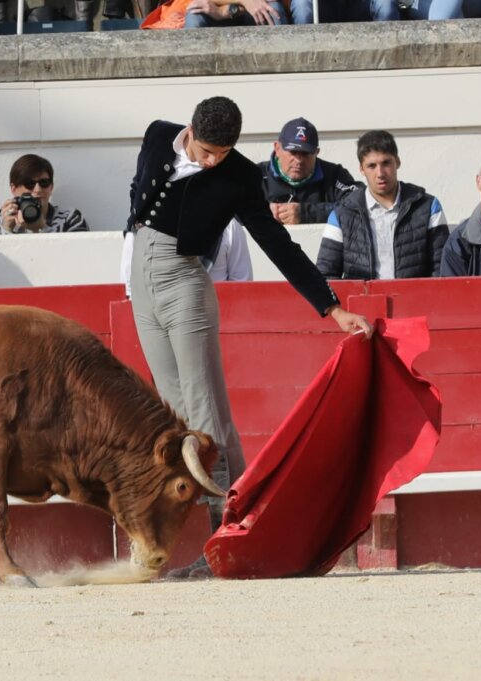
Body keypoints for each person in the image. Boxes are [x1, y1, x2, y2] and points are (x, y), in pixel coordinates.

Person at [126, 96, 372, 579]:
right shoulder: (157, 135)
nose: (212, 162)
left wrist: (332, 306)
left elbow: (276, 243)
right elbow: (140, 196)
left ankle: (227, 539)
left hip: (185, 285)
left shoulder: (239, 176)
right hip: (142, 282)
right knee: (175, 417)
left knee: (205, 415)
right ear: (190, 130)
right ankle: (230, 531)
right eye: (207, 151)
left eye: (222, 154)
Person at [317, 130, 448, 280]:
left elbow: (441, 270)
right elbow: (326, 275)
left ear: (397, 162)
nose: (380, 173)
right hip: (361, 296)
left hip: (416, 295)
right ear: (361, 169)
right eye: (371, 166)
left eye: (386, 163)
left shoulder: (428, 206)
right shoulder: (341, 214)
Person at [260, 116, 357, 226]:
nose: (298, 160)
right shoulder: (256, 174)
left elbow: (358, 206)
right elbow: (241, 209)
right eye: (293, 152)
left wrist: (306, 213)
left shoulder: (335, 175)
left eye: (305, 154)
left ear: (316, 152)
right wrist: (263, 211)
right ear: (277, 148)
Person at [120, 220, 253, 298]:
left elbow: (242, 287)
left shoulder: (229, 226)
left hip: (220, 322)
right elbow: (130, 293)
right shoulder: (138, 231)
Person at [0, 154, 89, 235]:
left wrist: (42, 228)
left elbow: (79, 252)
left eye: (44, 182)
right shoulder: (0, 221)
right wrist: (6, 229)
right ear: (14, 189)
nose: (38, 190)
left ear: (51, 187)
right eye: (29, 184)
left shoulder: (70, 218)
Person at [183, 0, 288, 28]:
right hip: (217, 10)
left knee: (272, 11)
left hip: (253, 11)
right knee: (194, 14)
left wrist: (229, 11)